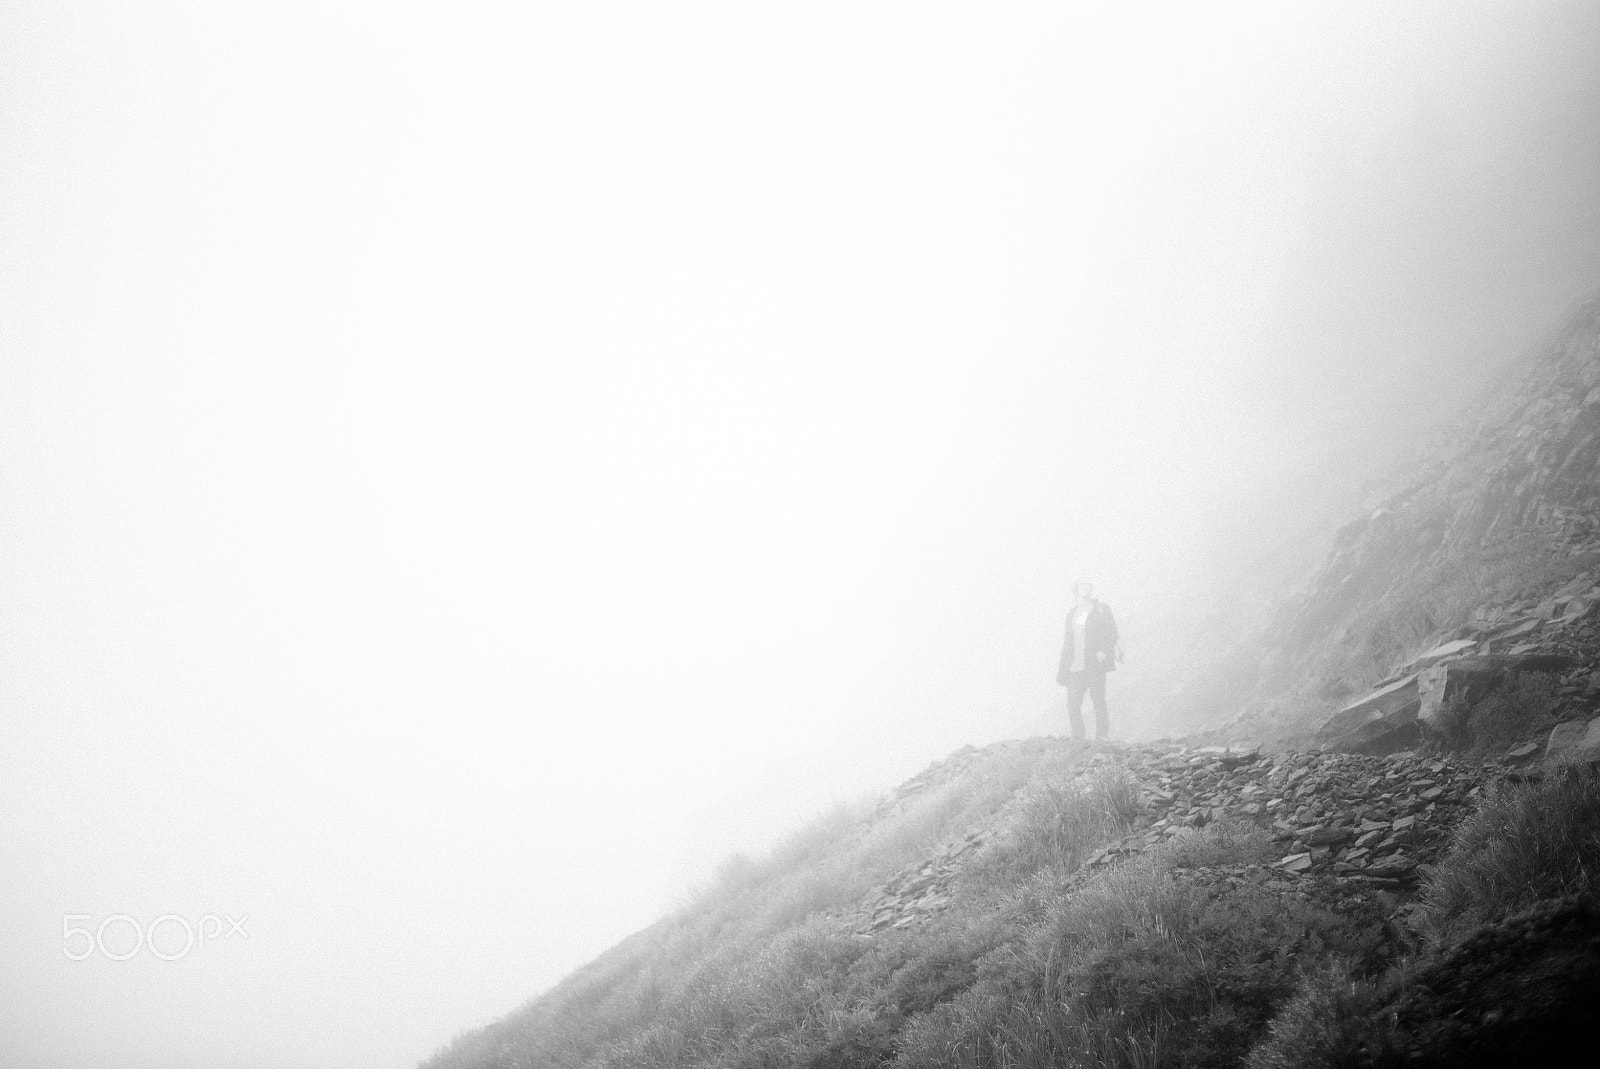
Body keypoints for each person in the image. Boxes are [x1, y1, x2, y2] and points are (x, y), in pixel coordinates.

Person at [1055, 581, 1121, 741]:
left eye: (1089, 584)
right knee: (1073, 705)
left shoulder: (1101, 609)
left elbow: (1111, 632)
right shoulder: (1071, 614)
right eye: (1083, 584)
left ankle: (1102, 737)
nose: (1087, 587)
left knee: (1098, 700)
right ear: (1076, 590)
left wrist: (1104, 651)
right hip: (1075, 667)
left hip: (1094, 664)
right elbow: (1068, 643)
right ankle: (1078, 738)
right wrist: (1062, 669)